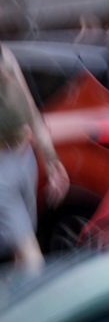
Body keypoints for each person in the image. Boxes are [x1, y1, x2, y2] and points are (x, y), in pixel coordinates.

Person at [0, 43, 69, 270]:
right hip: (3, 171)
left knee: (21, 252)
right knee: (32, 257)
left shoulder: (4, 53)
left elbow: (29, 107)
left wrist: (50, 158)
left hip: (24, 157)